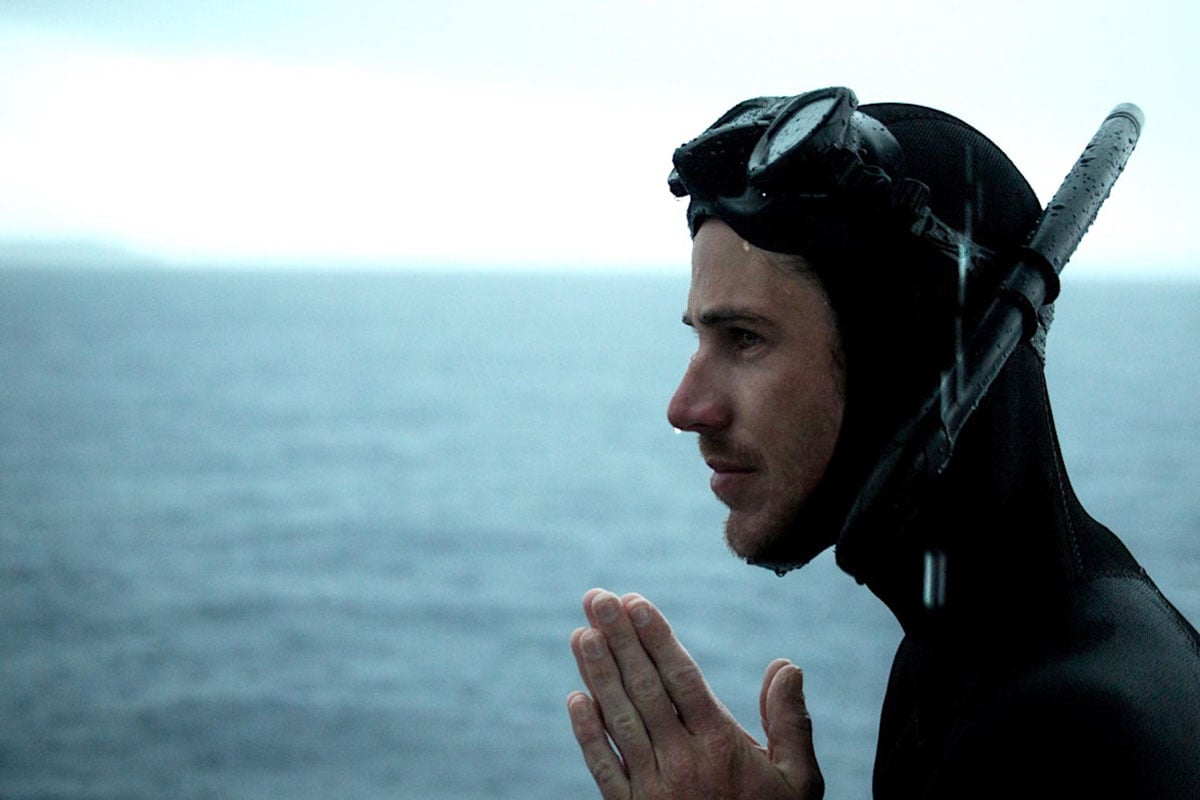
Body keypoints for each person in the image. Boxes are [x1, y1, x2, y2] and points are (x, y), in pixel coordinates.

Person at [565, 87, 1200, 798]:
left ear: (902, 362)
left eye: (744, 338)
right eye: (699, 338)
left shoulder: (1067, 740)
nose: (685, 408)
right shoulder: (981, 652)